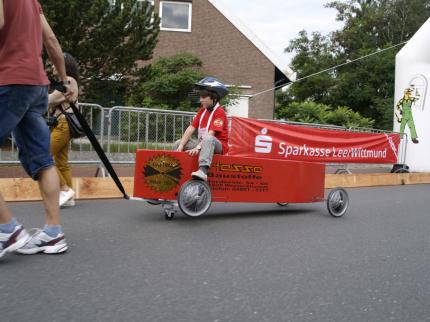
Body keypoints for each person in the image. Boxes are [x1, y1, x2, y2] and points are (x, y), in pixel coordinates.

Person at [0, 0, 74, 258]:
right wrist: (64, 81)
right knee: (43, 160)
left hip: (8, 80)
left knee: (43, 159)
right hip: (35, 86)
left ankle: (7, 229)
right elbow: (51, 40)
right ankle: (53, 232)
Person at [175, 77, 229, 181]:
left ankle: (203, 171)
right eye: (200, 97)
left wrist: (198, 148)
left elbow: (211, 134)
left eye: (204, 97)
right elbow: (191, 128)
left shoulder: (220, 112)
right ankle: (176, 170)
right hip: (203, 142)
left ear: (213, 97)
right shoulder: (202, 111)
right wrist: (181, 145)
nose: (201, 100)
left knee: (209, 139)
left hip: (219, 145)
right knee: (178, 143)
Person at [48, 53, 79, 207]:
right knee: (61, 162)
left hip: (63, 124)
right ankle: (69, 197)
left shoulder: (68, 81)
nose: (53, 66)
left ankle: (65, 190)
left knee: (43, 155)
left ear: (63, 65)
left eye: (55, 63)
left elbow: (50, 100)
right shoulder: (65, 81)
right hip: (62, 124)